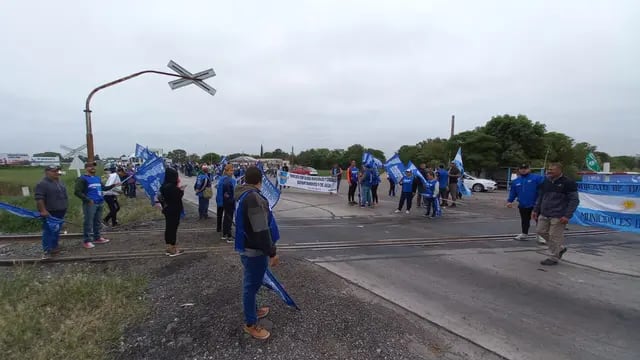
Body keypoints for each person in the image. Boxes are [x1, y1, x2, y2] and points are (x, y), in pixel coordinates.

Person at [234, 166, 280, 340]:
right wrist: (272, 252)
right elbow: (261, 229)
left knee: (253, 283)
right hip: (254, 249)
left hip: (247, 246)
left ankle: (253, 311)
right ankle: (251, 324)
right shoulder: (253, 198)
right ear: (260, 180)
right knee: (251, 285)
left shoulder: (243, 194)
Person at [533, 163, 579, 266]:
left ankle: (554, 257)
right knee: (540, 231)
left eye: (552, 170)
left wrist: (567, 215)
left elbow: (574, 200)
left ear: (559, 170)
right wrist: (536, 210)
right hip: (544, 213)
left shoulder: (568, 183)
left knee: (554, 236)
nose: (549, 171)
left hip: (558, 215)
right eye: (549, 169)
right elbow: (541, 197)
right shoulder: (546, 181)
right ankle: (560, 249)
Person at [74, 162, 118, 249]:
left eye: (94, 166)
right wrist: (87, 199)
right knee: (88, 222)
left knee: (97, 221)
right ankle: (87, 241)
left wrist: (114, 185)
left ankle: (97, 238)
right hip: (90, 203)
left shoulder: (97, 178)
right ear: (86, 168)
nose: (93, 168)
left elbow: (103, 188)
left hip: (99, 202)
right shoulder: (82, 179)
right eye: (90, 166)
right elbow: (77, 192)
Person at [34, 165, 68, 259]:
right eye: (54, 171)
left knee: (56, 230)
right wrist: (43, 210)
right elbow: (39, 198)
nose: (57, 173)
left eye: (57, 171)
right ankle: (47, 250)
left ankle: (54, 246)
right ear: (47, 172)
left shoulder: (59, 182)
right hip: (50, 211)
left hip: (61, 210)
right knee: (48, 231)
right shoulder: (42, 184)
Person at [506, 164, 546, 242]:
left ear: (529, 169)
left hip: (536, 204)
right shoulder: (516, 181)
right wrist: (510, 201)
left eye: (525, 168)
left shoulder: (537, 178)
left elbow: (544, 188)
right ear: (519, 170)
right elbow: (513, 192)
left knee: (539, 220)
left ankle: (540, 235)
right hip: (523, 204)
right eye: (521, 168)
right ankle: (524, 234)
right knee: (524, 220)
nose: (523, 170)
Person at [159, 167, 185, 256]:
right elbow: (177, 196)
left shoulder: (164, 185)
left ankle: (169, 247)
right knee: (173, 228)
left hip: (167, 209)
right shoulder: (171, 187)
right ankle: (173, 249)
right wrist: (181, 190)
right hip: (173, 210)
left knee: (169, 228)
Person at [216, 164, 237, 242]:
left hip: (223, 202)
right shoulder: (229, 181)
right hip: (229, 201)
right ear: (226, 171)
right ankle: (229, 235)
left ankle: (224, 234)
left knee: (225, 218)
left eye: (232, 170)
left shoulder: (221, 179)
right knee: (228, 218)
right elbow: (232, 193)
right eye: (231, 170)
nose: (232, 172)